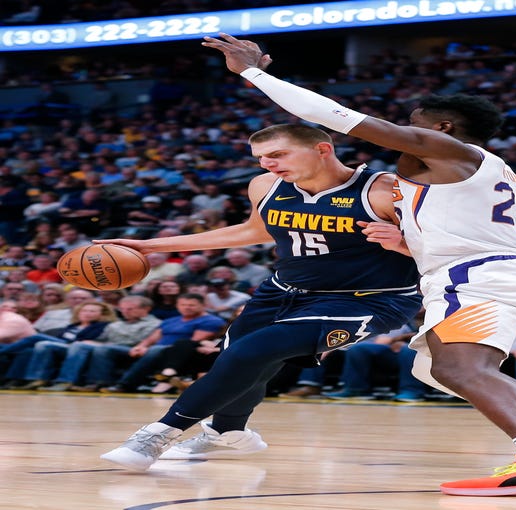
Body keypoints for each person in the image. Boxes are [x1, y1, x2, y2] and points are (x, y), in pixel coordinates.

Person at [191, 35, 516, 496]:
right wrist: (407, 245)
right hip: (489, 271)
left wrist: (252, 73)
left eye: (412, 126)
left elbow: (335, 118)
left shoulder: (451, 152)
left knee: (461, 369)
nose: (400, 132)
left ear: (441, 128)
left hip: (479, 276)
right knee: (433, 368)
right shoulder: (474, 172)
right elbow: (462, 232)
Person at [98, 123, 421, 471]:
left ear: (322, 150)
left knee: (256, 350)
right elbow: (253, 231)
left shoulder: (386, 191)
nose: (268, 163)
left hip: (367, 299)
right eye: (261, 157)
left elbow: (455, 252)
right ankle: (228, 431)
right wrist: (150, 245)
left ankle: (157, 435)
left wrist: (402, 244)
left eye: (278, 154)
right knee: (235, 357)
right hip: (282, 290)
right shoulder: (266, 186)